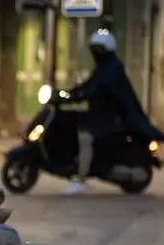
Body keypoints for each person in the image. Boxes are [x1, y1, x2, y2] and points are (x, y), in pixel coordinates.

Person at [63, 29, 148, 195]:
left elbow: (97, 88)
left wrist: (82, 95)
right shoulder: (102, 68)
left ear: (107, 50)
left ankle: (81, 179)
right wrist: (68, 93)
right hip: (99, 115)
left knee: (85, 139)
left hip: (110, 119)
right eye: (94, 49)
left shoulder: (113, 69)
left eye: (99, 50)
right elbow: (89, 85)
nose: (96, 53)